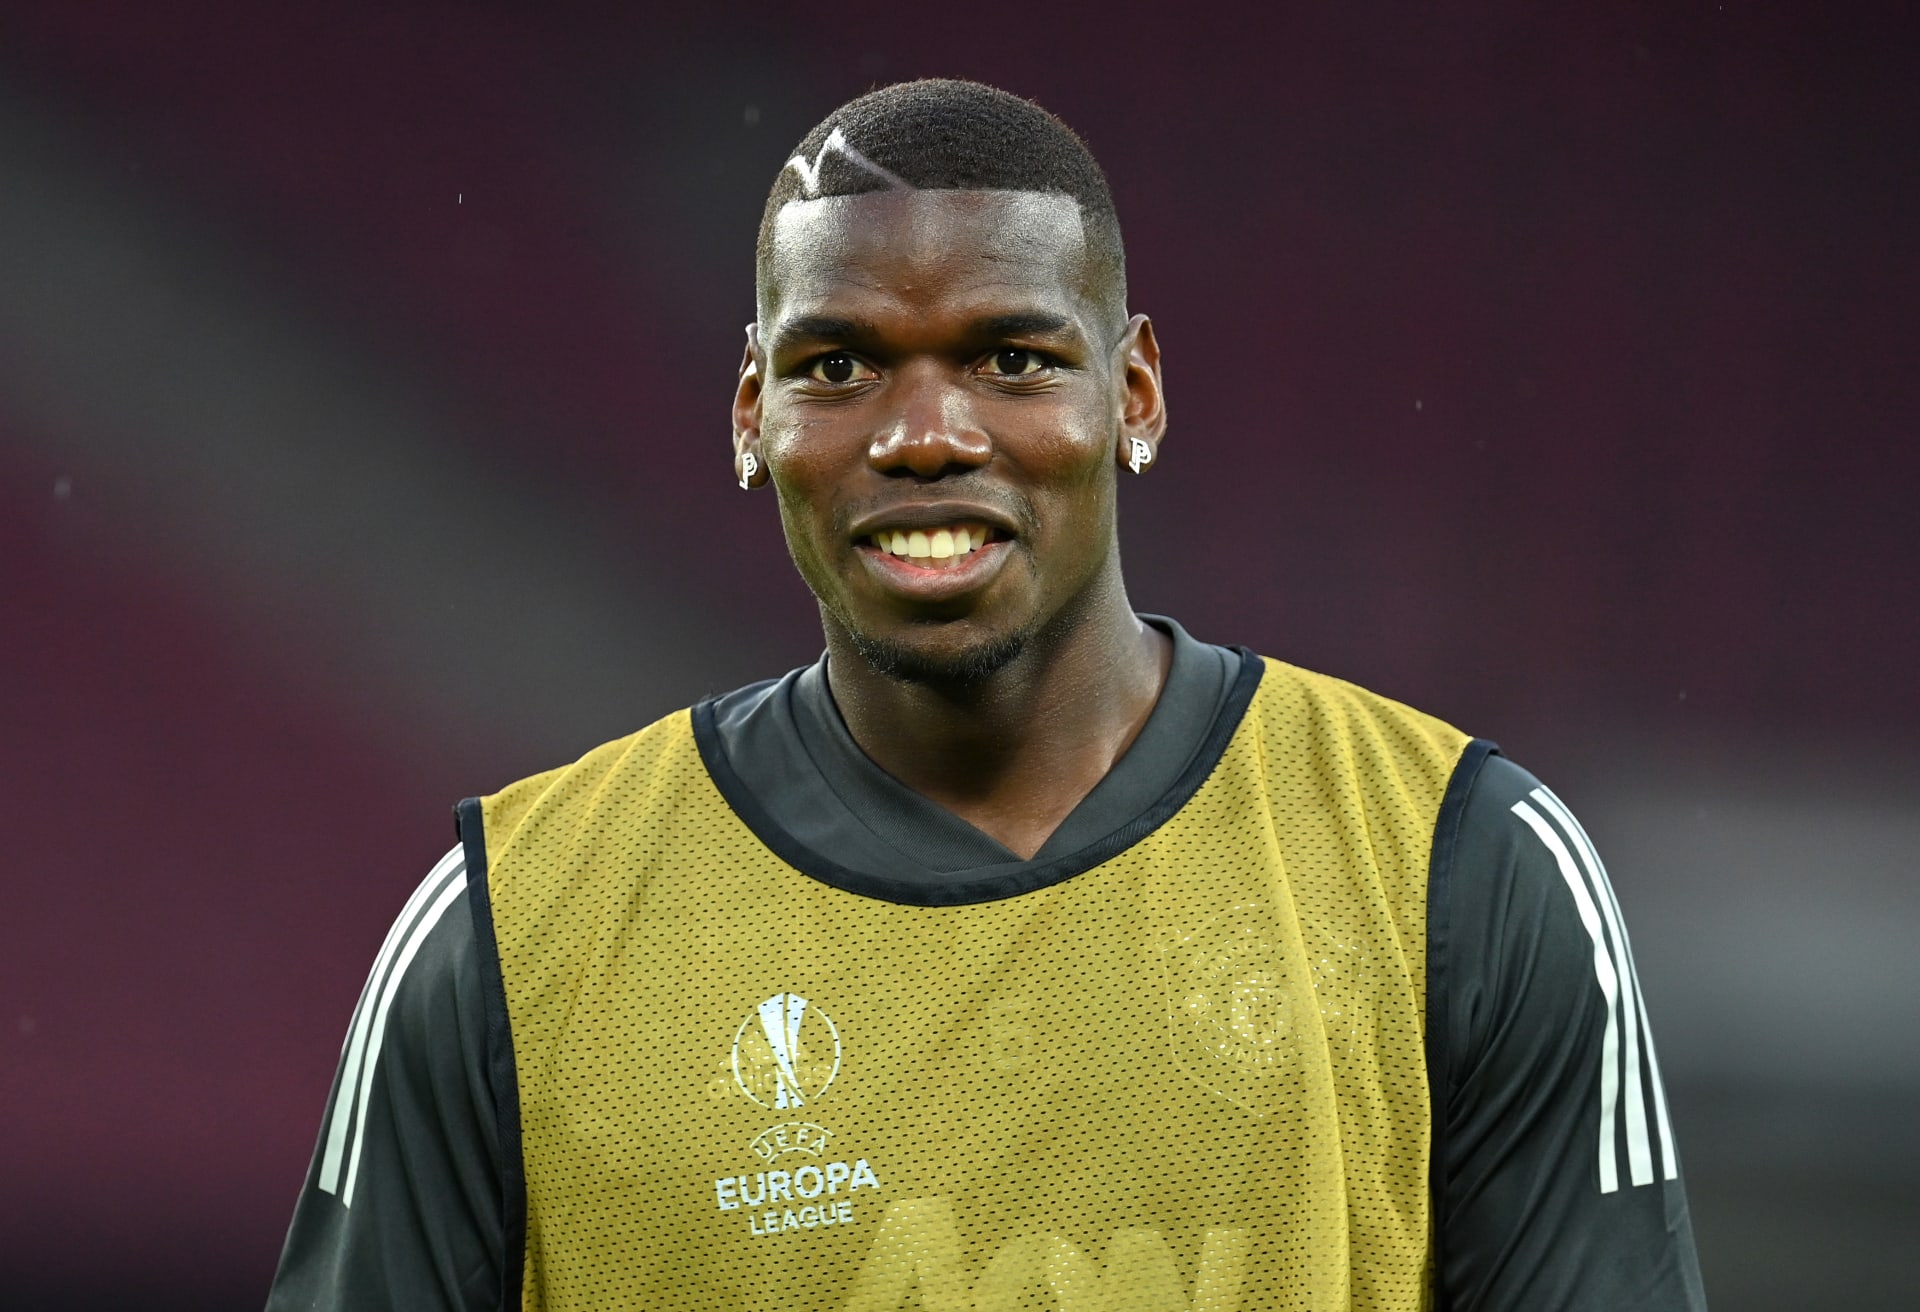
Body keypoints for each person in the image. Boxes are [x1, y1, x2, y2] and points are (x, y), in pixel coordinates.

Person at [264, 79, 1707, 1310]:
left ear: (1134, 393)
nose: (926, 434)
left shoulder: (1456, 863)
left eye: (1012, 358)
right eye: (840, 366)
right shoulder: (514, 929)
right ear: (753, 414)